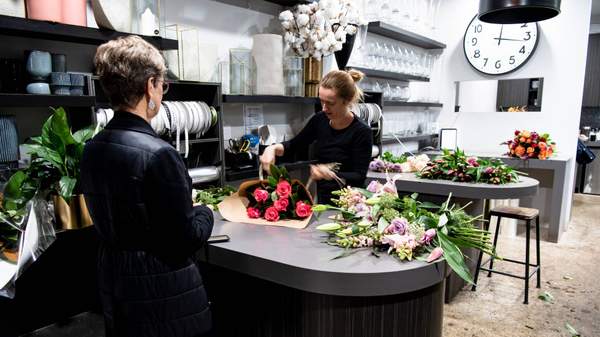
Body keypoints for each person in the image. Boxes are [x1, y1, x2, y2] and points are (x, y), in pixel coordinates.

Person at [80, 36, 213, 337]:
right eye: (163, 85)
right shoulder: (159, 154)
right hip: (163, 294)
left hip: (116, 286)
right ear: (149, 85)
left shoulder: (93, 147)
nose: (162, 94)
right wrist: (205, 212)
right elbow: (184, 238)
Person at [260, 69, 373, 204]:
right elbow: (294, 145)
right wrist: (271, 149)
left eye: (330, 103)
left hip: (351, 203)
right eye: (321, 101)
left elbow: (358, 176)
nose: (324, 108)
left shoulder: (362, 131)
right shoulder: (320, 119)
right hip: (324, 201)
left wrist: (330, 174)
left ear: (347, 101)